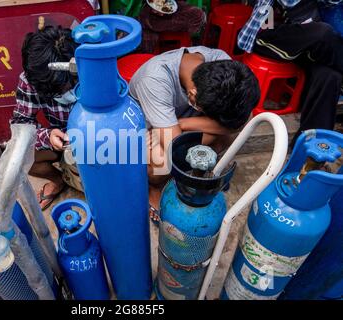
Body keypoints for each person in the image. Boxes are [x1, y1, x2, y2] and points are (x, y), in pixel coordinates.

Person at [129, 46, 261, 217]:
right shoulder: (154, 80)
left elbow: (240, 121)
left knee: (245, 118)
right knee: (161, 159)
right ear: (193, 96)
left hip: (181, 123)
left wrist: (183, 123)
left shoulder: (222, 64)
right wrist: (209, 128)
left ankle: (197, 165)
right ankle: (153, 188)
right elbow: (174, 145)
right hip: (150, 130)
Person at [238, 0, 343, 144]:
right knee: (323, 33)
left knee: (330, 75)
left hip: (305, 40)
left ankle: (310, 147)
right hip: (267, 37)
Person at [10, 24, 78, 209]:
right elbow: (21, 124)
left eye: (64, 87)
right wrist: (47, 137)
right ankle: (59, 180)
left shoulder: (92, 69)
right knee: (21, 155)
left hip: (99, 139)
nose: (64, 93)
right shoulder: (32, 79)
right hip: (62, 140)